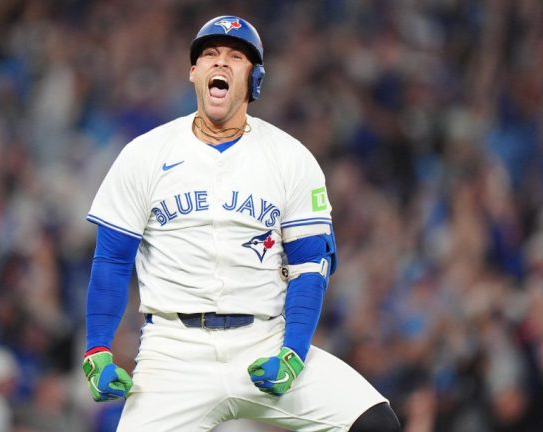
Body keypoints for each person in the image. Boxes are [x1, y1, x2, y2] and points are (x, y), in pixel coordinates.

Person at [81, 15, 400, 432]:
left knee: (376, 423)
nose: (220, 64)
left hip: (263, 340)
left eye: (235, 57)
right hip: (174, 353)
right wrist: (97, 350)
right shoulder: (144, 154)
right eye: (210, 55)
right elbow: (111, 260)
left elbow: (310, 266)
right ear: (193, 72)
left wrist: (293, 353)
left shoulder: (290, 157)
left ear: (255, 79)